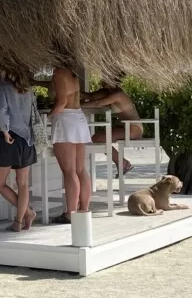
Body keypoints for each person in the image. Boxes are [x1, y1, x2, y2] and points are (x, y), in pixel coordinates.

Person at [0, 69, 39, 231]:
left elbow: (2, 110)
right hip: (27, 138)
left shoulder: (2, 88)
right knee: (23, 183)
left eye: (2, 69)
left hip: (11, 137)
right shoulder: (28, 90)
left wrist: (5, 131)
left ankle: (27, 214)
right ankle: (20, 220)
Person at [50, 65, 92, 222]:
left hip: (66, 120)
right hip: (78, 117)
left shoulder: (59, 73)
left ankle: (70, 213)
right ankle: (83, 209)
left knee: (69, 171)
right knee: (80, 169)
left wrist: (47, 117)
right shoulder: (72, 73)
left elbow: (61, 102)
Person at [81, 84, 144, 175]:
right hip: (125, 126)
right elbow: (90, 96)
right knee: (96, 138)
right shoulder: (107, 91)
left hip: (133, 128)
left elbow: (98, 103)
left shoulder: (118, 94)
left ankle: (122, 162)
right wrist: (75, 91)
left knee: (97, 138)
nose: (102, 79)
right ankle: (122, 162)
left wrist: (76, 106)